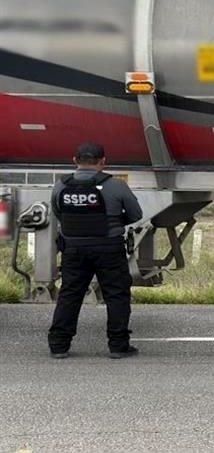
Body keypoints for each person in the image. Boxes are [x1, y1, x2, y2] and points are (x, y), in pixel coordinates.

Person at [47, 143, 143, 359]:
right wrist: (115, 223)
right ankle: (118, 346)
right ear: (103, 161)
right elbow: (136, 214)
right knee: (116, 295)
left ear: (74, 160)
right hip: (108, 247)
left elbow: (57, 212)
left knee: (70, 294)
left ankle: (58, 345)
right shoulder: (115, 185)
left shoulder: (60, 186)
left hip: (73, 247)